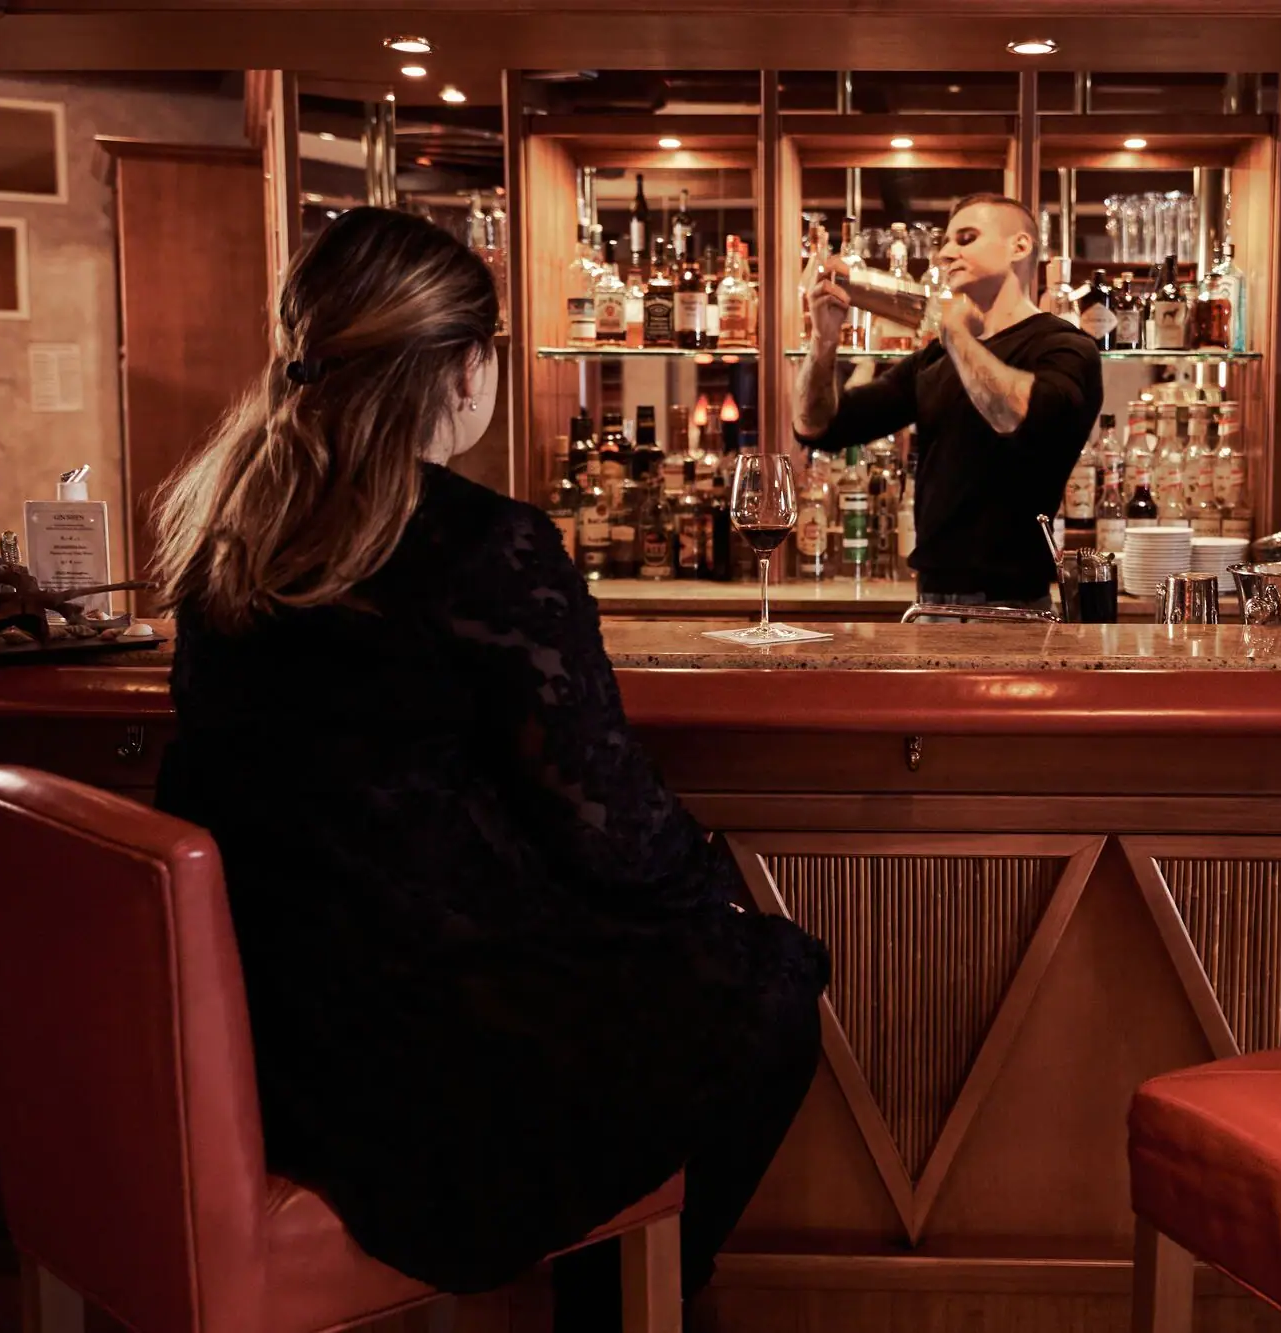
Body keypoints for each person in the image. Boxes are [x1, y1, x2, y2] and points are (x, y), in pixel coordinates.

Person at [148, 207, 827, 1327]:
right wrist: (717, 891)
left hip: (262, 1034)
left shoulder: (225, 532)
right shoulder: (482, 544)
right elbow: (616, 840)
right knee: (770, 985)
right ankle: (619, 1308)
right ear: (466, 370)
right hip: (417, 1064)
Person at [793, 193, 1104, 609]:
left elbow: (1016, 416)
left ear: (1020, 246)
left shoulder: (1066, 348)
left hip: (1012, 609)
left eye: (967, 238)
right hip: (930, 603)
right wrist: (823, 340)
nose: (945, 253)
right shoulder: (936, 359)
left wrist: (956, 332)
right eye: (946, 242)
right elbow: (819, 428)